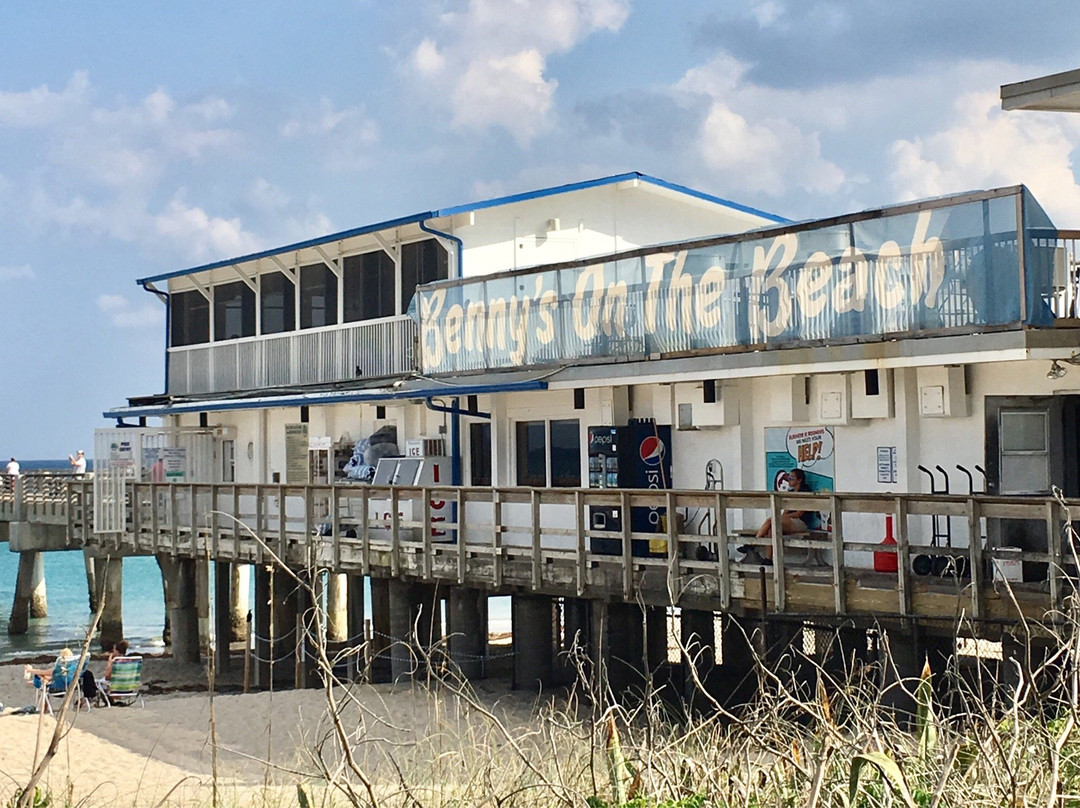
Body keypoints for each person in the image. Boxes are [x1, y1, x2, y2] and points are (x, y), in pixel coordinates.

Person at [741, 469, 809, 565]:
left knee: (771, 521)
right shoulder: (790, 492)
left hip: (800, 522)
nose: (789, 480)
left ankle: (752, 543)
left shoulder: (805, 492)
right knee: (771, 529)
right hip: (790, 521)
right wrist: (782, 517)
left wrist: (784, 517)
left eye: (791, 478)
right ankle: (768, 559)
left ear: (799, 480)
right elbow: (786, 510)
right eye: (788, 477)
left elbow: (799, 514)